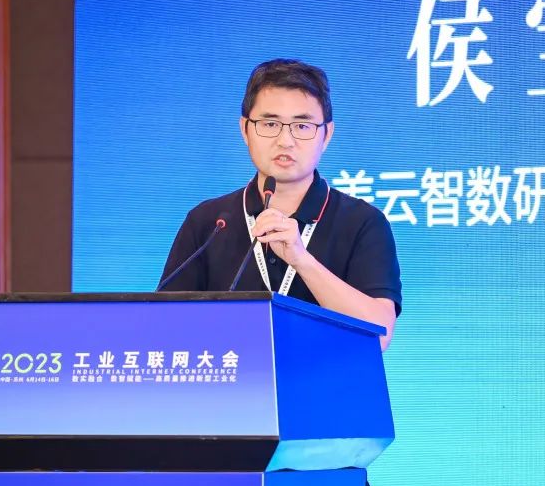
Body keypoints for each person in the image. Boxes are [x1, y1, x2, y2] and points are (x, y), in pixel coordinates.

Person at [159, 59, 402, 351]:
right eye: (270, 124)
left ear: (326, 135)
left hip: (326, 379)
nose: (285, 141)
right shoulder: (209, 222)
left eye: (302, 126)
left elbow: (379, 335)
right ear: (245, 129)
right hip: (233, 378)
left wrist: (301, 260)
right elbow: (165, 327)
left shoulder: (363, 222)